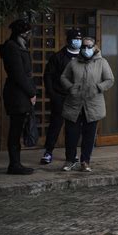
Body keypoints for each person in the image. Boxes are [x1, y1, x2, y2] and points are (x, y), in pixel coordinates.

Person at [60, 37, 114, 172]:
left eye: (89, 46)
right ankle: (70, 160)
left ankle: (85, 161)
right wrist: (70, 87)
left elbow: (110, 80)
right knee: (71, 134)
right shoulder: (73, 62)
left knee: (89, 136)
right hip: (74, 104)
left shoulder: (102, 62)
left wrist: (98, 87)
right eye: (84, 46)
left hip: (93, 105)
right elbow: (63, 77)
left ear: (95, 47)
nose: (86, 49)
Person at [0, 19, 37, 175]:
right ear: (21, 33)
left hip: (20, 92)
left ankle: (16, 163)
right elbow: (18, 74)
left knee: (18, 127)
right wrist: (31, 93)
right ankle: (14, 164)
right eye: (27, 33)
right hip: (16, 94)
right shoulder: (11, 47)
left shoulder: (19, 46)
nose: (29, 36)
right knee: (15, 129)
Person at [40, 28, 82, 164]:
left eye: (80, 39)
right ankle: (48, 151)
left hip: (76, 97)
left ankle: (72, 153)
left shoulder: (84, 56)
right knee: (55, 124)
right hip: (59, 96)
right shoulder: (58, 56)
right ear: (69, 40)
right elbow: (48, 76)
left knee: (74, 127)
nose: (78, 41)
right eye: (75, 39)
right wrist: (52, 93)